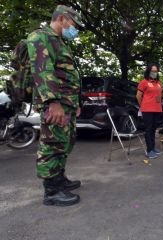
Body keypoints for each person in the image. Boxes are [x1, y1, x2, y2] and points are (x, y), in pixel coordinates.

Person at [27, 5, 84, 206]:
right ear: (62, 18)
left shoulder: (58, 42)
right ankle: (51, 192)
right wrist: (52, 102)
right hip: (56, 104)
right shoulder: (41, 37)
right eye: (74, 25)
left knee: (64, 143)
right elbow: (43, 71)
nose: (75, 29)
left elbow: (66, 76)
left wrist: (74, 103)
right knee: (52, 145)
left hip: (66, 104)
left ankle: (59, 179)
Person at [136, 64, 163, 159]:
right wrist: (142, 106)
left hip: (157, 109)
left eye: (156, 71)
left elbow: (159, 96)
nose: (154, 73)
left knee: (153, 129)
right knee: (148, 129)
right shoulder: (144, 82)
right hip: (147, 109)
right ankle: (149, 150)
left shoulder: (159, 82)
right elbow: (138, 96)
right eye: (153, 71)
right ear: (148, 71)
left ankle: (153, 148)